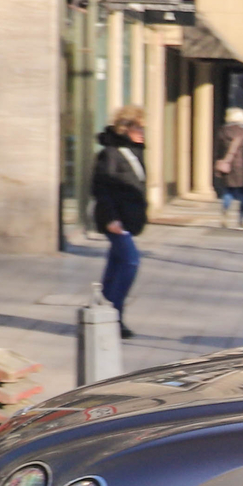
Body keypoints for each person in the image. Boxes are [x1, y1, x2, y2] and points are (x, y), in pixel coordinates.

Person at [90, 105, 150, 340]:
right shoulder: (110, 154)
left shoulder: (135, 152)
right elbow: (102, 189)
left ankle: (102, 309)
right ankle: (113, 315)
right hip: (115, 220)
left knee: (115, 264)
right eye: (138, 127)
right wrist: (111, 218)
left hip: (128, 218)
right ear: (124, 128)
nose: (142, 132)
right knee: (130, 262)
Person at [211, 107, 243, 228]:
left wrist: (218, 161)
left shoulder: (222, 131)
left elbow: (218, 149)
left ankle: (225, 211)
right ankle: (241, 220)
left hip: (228, 166)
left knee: (228, 191)